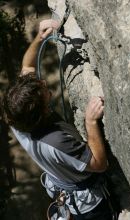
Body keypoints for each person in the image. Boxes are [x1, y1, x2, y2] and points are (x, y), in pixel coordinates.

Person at [3, 19, 113, 220]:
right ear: (43, 112)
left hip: (61, 183)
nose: (45, 83)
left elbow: (27, 66)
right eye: (46, 92)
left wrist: (40, 37)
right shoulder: (57, 141)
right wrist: (90, 122)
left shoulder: (15, 116)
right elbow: (99, 164)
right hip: (89, 207)